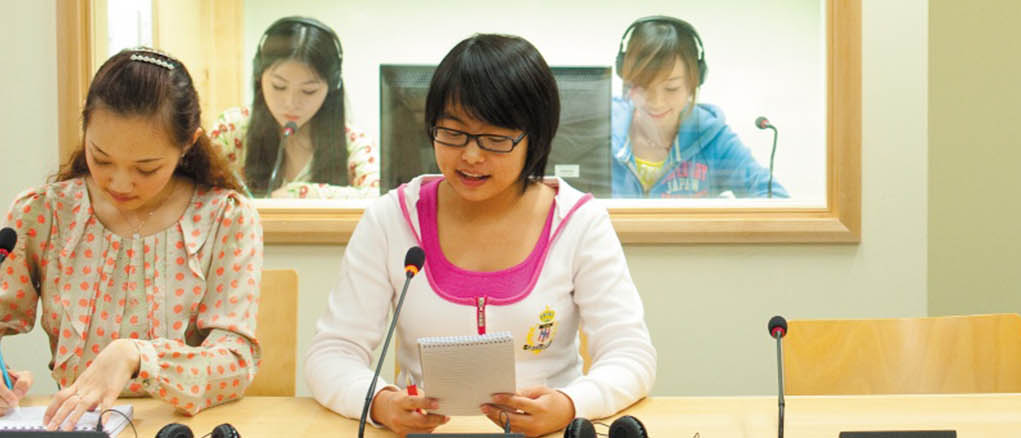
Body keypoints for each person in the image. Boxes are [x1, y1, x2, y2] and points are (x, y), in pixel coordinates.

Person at [305, 34, 656, 437]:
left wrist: (571, 404)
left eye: (494, 139)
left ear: (535, 139)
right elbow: (333, 353)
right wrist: (380, 402)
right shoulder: (391, 219)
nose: (470, 155)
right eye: (453, 133)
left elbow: (631, 354)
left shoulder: (578, 223)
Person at [0, 48, 263, 429]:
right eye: (102, 159)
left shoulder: (225, 217)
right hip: (78, 428)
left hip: (180, 430)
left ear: (188, 143)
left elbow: (236, 362)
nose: (120, 183)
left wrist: (137, 356)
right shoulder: (43, 213)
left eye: (146, 167)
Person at [611, 16, 787, 198]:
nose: (657, 102)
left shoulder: (713, 138)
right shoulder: (599, 129)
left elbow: (777, 199)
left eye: (672, 88)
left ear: (694, 82)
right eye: (644, 86)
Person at [210, 16, 379, 199]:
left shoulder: (353, 143)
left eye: (308, 91)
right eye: (279, 86)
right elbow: (193, 192)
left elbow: (379, 198)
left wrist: (300, 193)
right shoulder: (232, 129)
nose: (291, 103)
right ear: (259, 76)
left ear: (332, 87)